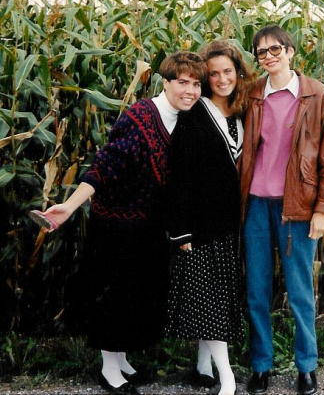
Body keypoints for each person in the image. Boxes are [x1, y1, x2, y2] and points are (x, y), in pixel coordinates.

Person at [36, 52, 207, 395]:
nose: (190, 91)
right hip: (118, 222)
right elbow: (106, 165)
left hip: (150, 225)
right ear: (166, 82)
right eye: (183, 82)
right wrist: (69, 207)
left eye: (196, 84)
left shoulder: (187, 119)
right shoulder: (141, 116)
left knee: (139, 294)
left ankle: (122, 359)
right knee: (116, 294)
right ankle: (109, 369)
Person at [239, 25, 324, 395]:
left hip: (297, 207)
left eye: (275, 49)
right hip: (255, 205)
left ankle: (307, 366)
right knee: (257, 290)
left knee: (299, 290)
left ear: (291, 51)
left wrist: (323, 209)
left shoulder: (316, 96)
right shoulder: (251, 95)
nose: (269, 56)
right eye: (261, 52)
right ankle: (261, 365)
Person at [165, 40, 256, 395]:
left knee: (218, 296)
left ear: (238, 72)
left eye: (227, 72)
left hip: (230, 225)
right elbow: (179, 177)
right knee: (211, 300)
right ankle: (228, 377)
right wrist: (181, 230)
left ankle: (203, 366)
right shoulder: (194, 115)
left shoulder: (242, 112)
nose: (221, 79)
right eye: (213, 73)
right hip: (200, 226)